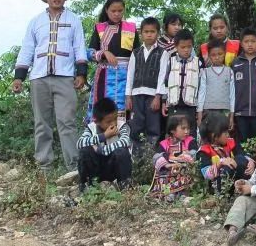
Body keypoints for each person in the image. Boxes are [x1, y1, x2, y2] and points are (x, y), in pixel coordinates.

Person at [12, 0, 88, 174]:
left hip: (65, 76)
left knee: (67, 122)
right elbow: (27, 48)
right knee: (41, 123)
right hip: (39, 77)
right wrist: (19, 76)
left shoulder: (74, 20)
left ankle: (73, 167)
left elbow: (79, 47)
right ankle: (45, 167)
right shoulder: (35, 22)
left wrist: (81, 74)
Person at [125, 16, 168, 146]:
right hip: (136, 94)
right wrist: (128, 96)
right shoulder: (136, 52)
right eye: (146, 32)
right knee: (137, 124)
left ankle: (151, 156)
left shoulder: (162, 52)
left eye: (152, 32)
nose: (149, 35)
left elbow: (162, 76)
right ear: (141, 33)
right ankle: (137, 156)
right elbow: (130, 75)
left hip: (152, 95)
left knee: (153, 126)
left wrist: (158, 96)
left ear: (158, 33)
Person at [76, 97, 133, 191]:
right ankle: (85, 187)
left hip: (114, 169)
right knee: (85, 151)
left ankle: (125, 186)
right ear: (97, 121)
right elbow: (79, 143)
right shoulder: (91, 128)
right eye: (109, 121)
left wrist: (100, 150)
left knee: (122, 152)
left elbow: (125, 141)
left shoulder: (122, 126)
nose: (113, 123)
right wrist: (104, 136)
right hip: (97, 169)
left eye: (115, 118)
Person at [198, 110, 254, 193]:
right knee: (226, 168)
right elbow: (206, 175)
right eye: (225, 132)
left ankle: (245, 188)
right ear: (214, 136)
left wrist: (250, 162)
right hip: (219, 186)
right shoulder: (203, 151)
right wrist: (221, 163)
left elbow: (242, 154)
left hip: (236, 179)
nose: (228, 135)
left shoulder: (231, 142)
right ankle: (225, 194)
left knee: (240, 159)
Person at [231, 27, 256, 142]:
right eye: (246, 42)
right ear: (241, 44)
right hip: (240, 112)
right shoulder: (235, 63)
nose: (250, 44)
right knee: (242, 143)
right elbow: (231, 89)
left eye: (253, 41)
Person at [151, 115, 196, 201]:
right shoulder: (164, 144)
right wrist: (167, 165)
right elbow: (156, 157)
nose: (186, 131)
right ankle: (168, 193)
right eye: (183, 128)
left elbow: (194, 153)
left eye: (188, 128)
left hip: (184, 169)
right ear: (172, 130)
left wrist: (185, 157)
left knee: (184, 170)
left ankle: (183, 194)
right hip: (168, 172)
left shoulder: (190, 141)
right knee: (163, 172)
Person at [160, 30, 201, 123]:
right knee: (173, 130)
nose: (186, 50)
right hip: (173, 104)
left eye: (189, 47)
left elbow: (201, 86)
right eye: (183, 47)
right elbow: (165, 82)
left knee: (190, 131)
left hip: (191, 105)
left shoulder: (198, 63)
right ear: (176, 47)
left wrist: (199, 109)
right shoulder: (170, 62)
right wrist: (163, 102)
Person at [198, 39, 235, 131]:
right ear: (209, 56)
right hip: (208, 110)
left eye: (220, 54)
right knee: (209, 135)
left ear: (225, 53)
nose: (217, 57)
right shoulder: (205, 72)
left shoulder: (229, 71)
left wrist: (232, 115)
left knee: (222, 135)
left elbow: (232, 94)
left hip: (225, 111)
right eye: (213, 55)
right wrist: (199, 113)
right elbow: (201, 93)